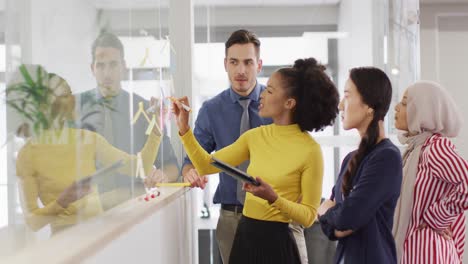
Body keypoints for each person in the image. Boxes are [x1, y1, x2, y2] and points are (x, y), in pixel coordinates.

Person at [174, 57, 339, 264]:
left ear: (289, 103)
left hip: (280, 243)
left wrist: (274, 198)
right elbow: (206, 165)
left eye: (270, 91)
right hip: (246, 236)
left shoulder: (310, 151)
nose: (262, 94)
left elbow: (307, 216)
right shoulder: (255, 136)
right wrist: (184, 129)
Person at [10, 67, 161, 234]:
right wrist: (62, 202)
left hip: (100, 238)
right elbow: (32, 222)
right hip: (66, 246)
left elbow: (140, 167)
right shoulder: (28, 154)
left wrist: (157, 128)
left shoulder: (88, 139)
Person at [181, 29, 274, 263]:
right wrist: (189, 172)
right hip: (232, 217)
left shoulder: (276, 105)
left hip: (274, 213)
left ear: (259, 65)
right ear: (225, 64)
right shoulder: (212, 110)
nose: (240, 70)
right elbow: (192, 160)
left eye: (248, 62)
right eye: (234, 62)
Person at [76, 32, 178, 210]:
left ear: (123, 66)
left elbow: (171, 165)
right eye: (101, 65)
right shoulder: (74, 108)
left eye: (113, 64)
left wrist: (162, 176)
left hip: (134, 211)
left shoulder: (144, 109)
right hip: (87, 213)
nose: (107, 72)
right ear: (92, 68)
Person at [318, 67, 403, 264]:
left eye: (347, 96)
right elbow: (334, 228)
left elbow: (347, 217)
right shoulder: (350, 159)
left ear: (369, 106)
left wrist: (325, 211)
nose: (340, 105)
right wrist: (336, 218)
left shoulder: (387, 157)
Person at [392, 81, 468, 264]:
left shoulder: (434, 148)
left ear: (422, 111)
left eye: (404, 103)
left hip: (428, 251)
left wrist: (437, 218)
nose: (396, 108)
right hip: (414, 249)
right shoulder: (415, 149)